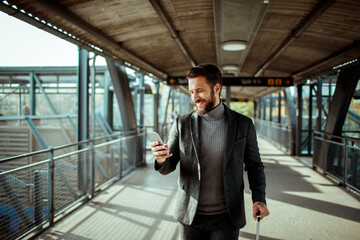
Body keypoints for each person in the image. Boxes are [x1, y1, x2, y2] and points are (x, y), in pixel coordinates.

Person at [151, 64, 269, 240]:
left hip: (227, 218)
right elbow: (168, 166)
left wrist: (259, 199)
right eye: (191, 91)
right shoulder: (181, 124)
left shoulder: (243, 124)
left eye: (199, 90)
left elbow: (254, 166)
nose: (194, 97)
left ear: (217, 88)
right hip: (189, 216)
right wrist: (161, 159)